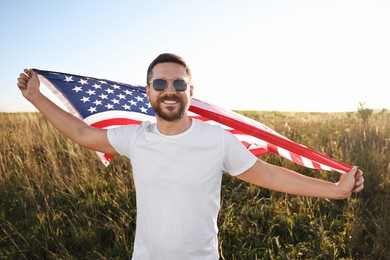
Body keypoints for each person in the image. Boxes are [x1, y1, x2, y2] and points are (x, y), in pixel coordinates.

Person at [17, 53, 364, 260]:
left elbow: (270, 175)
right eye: (161, 84)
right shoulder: (135, 137)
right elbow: (82, 134)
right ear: (148, 92)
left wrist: (335, 189)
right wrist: (36, 98)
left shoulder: (216, 139)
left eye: (179, 84)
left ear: (190, 92)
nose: (170, 91)